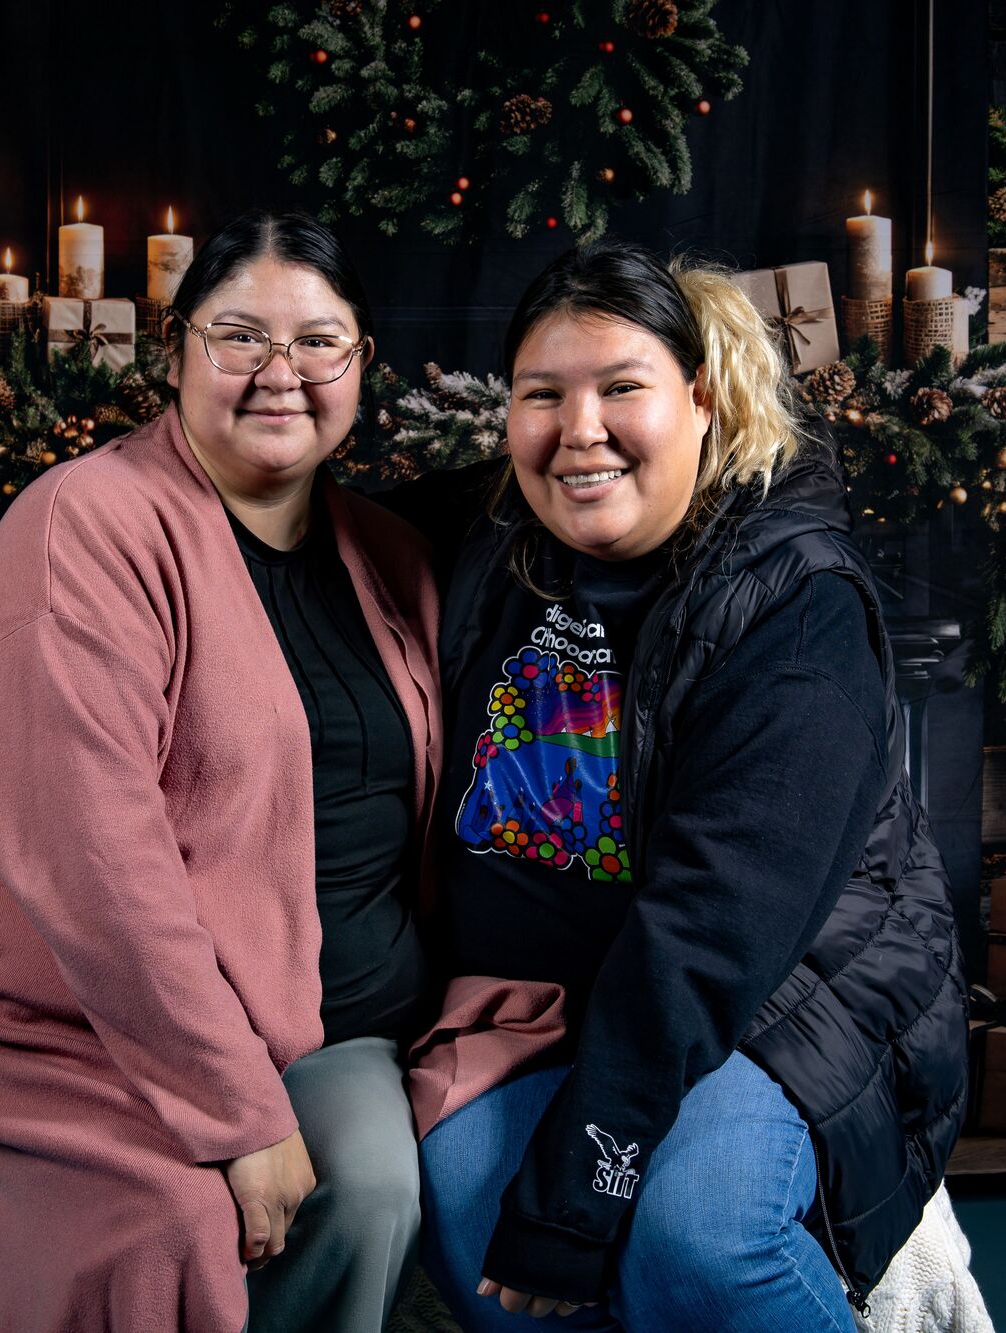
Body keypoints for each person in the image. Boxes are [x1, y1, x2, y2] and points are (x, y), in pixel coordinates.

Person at [0, 210, 443, 1333]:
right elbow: (95, 862)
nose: (280, 374)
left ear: (361, 363)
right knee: (168, 1227)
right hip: (89, 1003)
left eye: (317, 342)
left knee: (374, 1190)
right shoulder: (83, 528)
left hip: (334, 1018)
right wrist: (241, 1115)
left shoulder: (388, 552)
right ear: (175, 350)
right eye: (239, 336)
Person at [401, 238, 968, 1331]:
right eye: (541, 394)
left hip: (775, 991)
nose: (579, 429)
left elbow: (711, 927)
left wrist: (580, 1185)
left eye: (622, 388)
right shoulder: (493, 527)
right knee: (472, 1216)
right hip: (537, 1001)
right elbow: (284, 503)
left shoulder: (796, 604)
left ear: (700, 399)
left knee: (696, 1234)